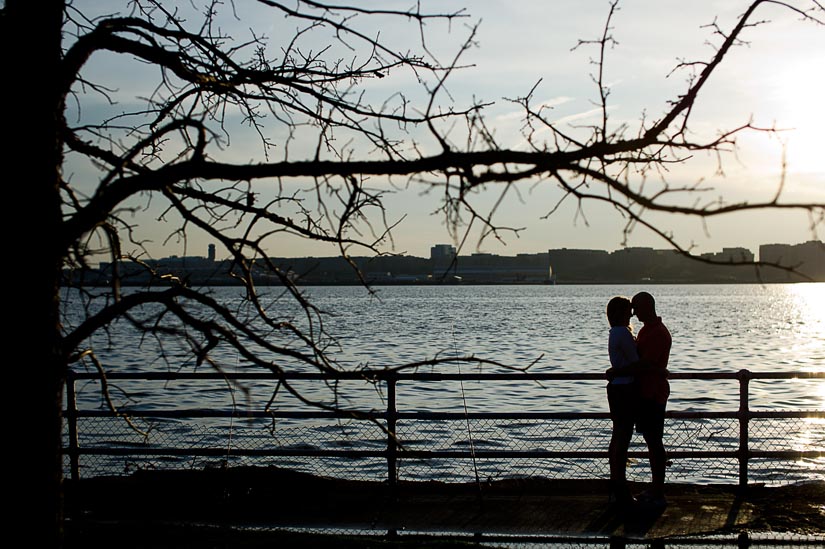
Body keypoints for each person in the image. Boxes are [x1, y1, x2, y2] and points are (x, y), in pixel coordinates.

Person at [631, 291, 672, 508]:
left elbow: (646, 363)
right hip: (647, 391)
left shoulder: (657, 333)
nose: (634, 313)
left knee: (654, 441)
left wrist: (620, 368)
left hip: (653, 393)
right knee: (652, 441)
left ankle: (658, 490)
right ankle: (656, 488)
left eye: (636, 308)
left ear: (647, 307)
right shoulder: (649, 330)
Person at [604, 296, 641, 505]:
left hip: (617, 387)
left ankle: (615, 483)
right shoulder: (623, 334)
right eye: (629, 310)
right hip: (625, 387)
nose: (632, 314)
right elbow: (635, 362)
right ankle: (620, 486)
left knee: (618, 434)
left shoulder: (614, 333)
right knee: (623, 437)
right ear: (620, 314)